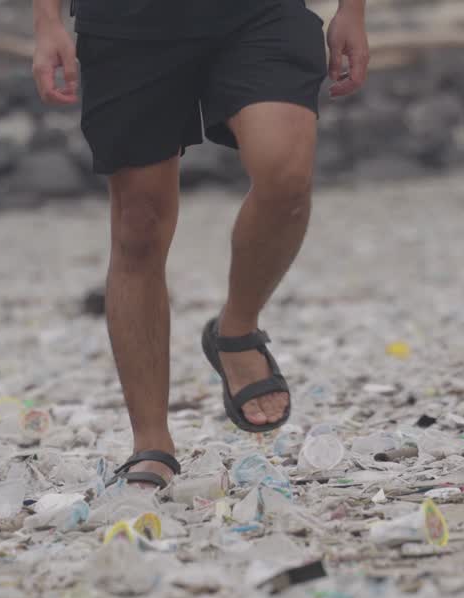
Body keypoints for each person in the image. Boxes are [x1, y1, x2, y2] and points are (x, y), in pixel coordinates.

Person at [32, 0, 370, 490]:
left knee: (286, 176)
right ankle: (151, 441)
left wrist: (352, 10)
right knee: (139, 225)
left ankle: (236, 330)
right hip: (127, 23)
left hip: (260, 12)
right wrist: (47, 21)